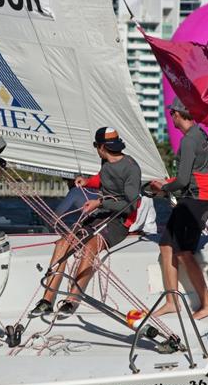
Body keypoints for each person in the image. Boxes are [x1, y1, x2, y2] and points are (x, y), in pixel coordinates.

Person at [29, 127, 142, 319]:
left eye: (96, 146)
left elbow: (131, 205)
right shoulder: (106, 162)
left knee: (90, 247)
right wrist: (87, 182)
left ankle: (72, 300)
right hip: (101, 214)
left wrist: (100, 202)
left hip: (119, 221)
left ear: (101, 147)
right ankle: (47, 300)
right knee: (64, 242)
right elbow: (103, 178)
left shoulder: (131, 167)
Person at [150, 98, 208, 319]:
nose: (172, 119)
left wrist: (163, 186)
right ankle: (171, 301)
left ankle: (207, 304)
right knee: (166, 246)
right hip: (196, 197)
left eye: (172, 115)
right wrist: (168, 184)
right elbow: (191, 176)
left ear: (178, 114)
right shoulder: (201, 134)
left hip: (197, 200)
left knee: (184, 253)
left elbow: (183, 180)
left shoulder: (189, 140)